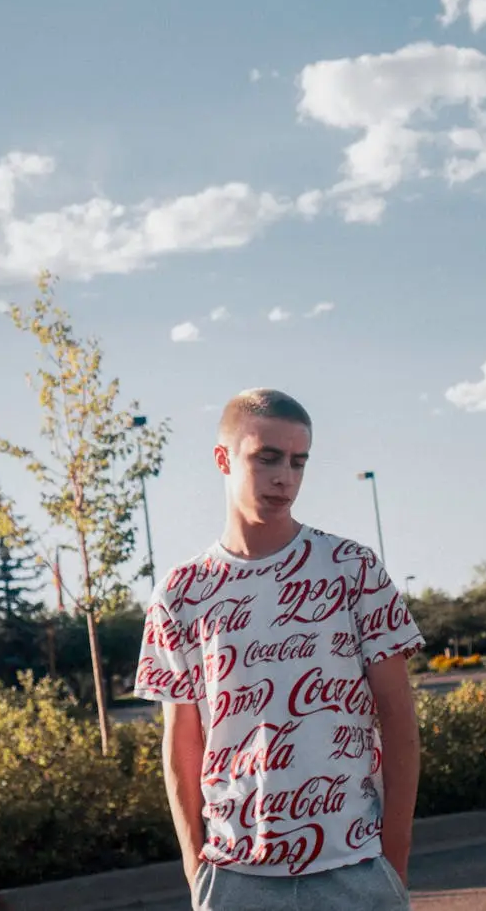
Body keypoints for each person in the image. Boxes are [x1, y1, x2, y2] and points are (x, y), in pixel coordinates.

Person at [134, 389, 425, 910]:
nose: (284, 477)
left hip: (354, 867)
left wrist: (393, 863)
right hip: (235, 877)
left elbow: (399, 718)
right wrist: (195, 866)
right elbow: (181, 741)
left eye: (297, 462)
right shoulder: (180, 593)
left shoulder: (352, 569)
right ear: (223, 458)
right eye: (266, 457)